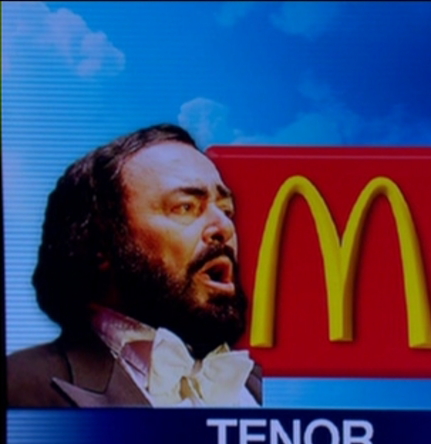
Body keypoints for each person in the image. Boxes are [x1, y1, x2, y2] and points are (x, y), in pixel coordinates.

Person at [6, 124, 262, 408]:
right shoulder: (19, 387)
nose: (224, 227)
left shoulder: (260, 387)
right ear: (102, 242)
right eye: (186, 207)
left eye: (226, 210)